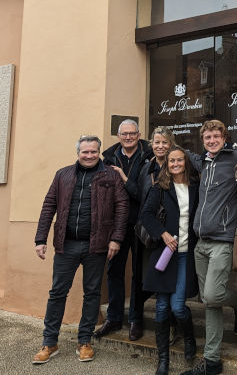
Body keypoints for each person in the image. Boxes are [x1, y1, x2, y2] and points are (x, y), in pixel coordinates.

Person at [32, 135, 129, 365]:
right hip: (66, 245)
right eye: (85, 152)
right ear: (78, 153)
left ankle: (84, 341)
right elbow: (49, 205)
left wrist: (116, 239)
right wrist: (40, 239)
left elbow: (122, 208)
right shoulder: (63, 175)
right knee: (57, 293)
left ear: (99, 152)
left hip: (97, 245)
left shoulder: (111, 175)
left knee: (92, 293)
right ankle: (49, 342)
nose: (89, 156)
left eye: (93, 152)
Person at [182, 119, 237, 375]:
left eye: (215, 136)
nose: (211, 141)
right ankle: (212, 361)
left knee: (212, 295)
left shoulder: (235, 157)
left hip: (222, 241)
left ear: (224, 137)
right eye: (207, 138)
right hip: (200, 242)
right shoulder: (203, 162)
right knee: (208, 301)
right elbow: (177, 154)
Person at [140, 145, 200, 375]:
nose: (175, 164)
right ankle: (162, 359)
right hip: (165, 253)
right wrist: (162, 234)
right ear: (167, 164)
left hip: (186, 253)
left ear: (186, 162)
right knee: (162, 308)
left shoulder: (195, 185)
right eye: (171, 161)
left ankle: (190, 338)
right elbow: (145, 215)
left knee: (178, 306)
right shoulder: (160, 187)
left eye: (179, 160)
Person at [96, 119, 155, 341]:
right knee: (114, 271)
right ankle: (114, 318)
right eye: (124, 134)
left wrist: (122, 177)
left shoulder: (149, 156)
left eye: (132, 134)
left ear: (139, 135)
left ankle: (136, 320)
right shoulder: (108, 158)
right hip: (116, 224)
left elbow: (143, 192)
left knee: (139, 274)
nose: (128, 137)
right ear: (119, 136)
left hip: (141, 223)